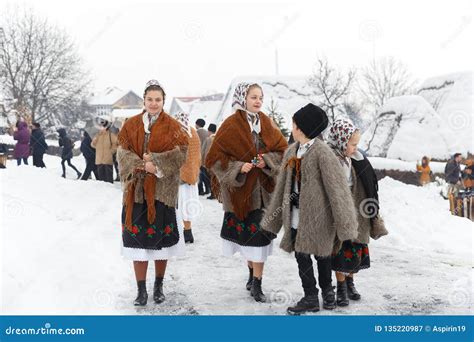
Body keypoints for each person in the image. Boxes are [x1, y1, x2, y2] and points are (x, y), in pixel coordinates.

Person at [261, 104, 358, 315]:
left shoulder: (323, 153)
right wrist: (273, 220)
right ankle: (310, 296)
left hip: (319, 218)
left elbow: (338, 190)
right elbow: (283, 187)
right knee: (301, 256)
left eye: (294, 124)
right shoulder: (292, 151)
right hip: (295, 216)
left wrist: (345, 223)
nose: (292, 128)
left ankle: (327, 292)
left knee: (323, 256)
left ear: (303, 127)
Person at [206, 82, 288, 303]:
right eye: (253, 97)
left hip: (264, 194)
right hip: (241, 195)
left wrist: (267, 161)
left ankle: (258, 284)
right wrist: (237, 168)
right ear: (243, 99)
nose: (258, 101)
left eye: (260, 97)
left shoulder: (267, 124)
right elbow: (214, 158)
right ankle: (252, 275)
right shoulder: (230, 125)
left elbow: (283, 152)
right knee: (247, 240)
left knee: (260, 240)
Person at [117, 80, 189, 306]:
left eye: (158, 100)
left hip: (162, 192)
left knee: (161, 245)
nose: (154, 103)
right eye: (150, 99)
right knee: (137, 243)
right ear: (144, 101)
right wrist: (140, 165)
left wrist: (156, 163)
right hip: (136, 192)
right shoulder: (130, 125)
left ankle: (158, 286)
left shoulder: (174, 126)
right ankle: (141, 291)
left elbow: (182, 152)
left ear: (163, 101)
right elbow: (121, 150)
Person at [327, 119, 388, 307]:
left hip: (358, 212)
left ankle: (351, 282)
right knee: (339, 250)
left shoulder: (359, 159)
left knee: (354, 250)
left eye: (356, 144)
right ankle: (341, 286)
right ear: (341, 140)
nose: (355, 148)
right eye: (352, 144)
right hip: (338, 215)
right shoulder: (330, 159)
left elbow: (370, 185)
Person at [175, 111, 201, 243]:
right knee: (188, 205)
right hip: (192, 176)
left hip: (180, 177)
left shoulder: (178, 133)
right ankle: (188, 232)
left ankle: (181, 232)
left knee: (179, 205)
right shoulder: (193, 132)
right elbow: (197, 155)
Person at [91, 119, 118, 183]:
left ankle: (109, 191)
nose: (101, 128)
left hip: (107, 159)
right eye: (101, 126)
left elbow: (116, 144)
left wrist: (111, 151)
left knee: (109, 179)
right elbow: (92, 145)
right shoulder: (97, 135)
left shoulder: (110, 135)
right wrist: (94, 141)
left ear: (106, 127)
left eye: (103, 126)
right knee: (101, 180)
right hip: (99, 159)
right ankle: (102, 192)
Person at [201, 123, 217, 199]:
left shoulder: (208, 139)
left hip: (208, 163)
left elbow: (205, 151)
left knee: (209, 178)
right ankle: (215, 193)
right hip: (216, 163)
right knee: (215, 178)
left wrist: (203, 162)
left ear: (209, 130)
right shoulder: (218, 138)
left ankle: (213, 194)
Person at [196, 118, 211, 196]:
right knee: (205, 173)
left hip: (198, 156)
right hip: (205, 155)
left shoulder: (196, 133)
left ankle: (200, 190)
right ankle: (208, 188)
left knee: (199, 174)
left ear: (197, 124)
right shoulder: (206, 133)